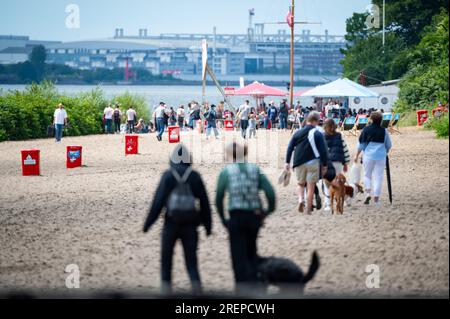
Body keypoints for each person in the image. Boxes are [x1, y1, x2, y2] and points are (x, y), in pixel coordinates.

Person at [144, 144, 212, 295]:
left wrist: (148, 224)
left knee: (166, 261)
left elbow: (158, 202)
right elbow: (205, 203)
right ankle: (197, 291)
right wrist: (208, 226)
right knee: (191, 263)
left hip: (171, 223)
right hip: (191, 224)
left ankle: (166, 291)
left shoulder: (168, 175)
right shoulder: (194, 176)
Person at [215, 142, 276, 294]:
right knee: (251, 252)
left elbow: (218, 198)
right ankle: (255, 285)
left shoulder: (226, 172)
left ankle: (241, 288)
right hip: (254, 216)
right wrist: (267, 212)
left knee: (237, 256)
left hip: (236, 216)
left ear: (229, 155)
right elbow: (270, 194)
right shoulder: (256, 170)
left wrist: (223, 219)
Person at [285, 112, 329, 215]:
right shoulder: (318, 133)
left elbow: (290, 147)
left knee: (301, 184)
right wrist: (325, 165)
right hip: (313, 162)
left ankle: (301, 200)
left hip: (299, 161)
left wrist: (287, 162)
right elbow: (323, 150)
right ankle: (308, 210)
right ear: (316, 121)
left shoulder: (298, 132)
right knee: (310, 186)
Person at [354, 111, 392, 207]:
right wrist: (385, 151)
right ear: (381, 120)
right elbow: (388, 145)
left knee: (367, 175)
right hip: (381, 156)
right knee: (378, 177)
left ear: (371, 119)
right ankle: (376, 199)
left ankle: (367, 193)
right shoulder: (384, 131)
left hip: (368, 155)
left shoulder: (366, 130)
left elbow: (361, 145)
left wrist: (356, 155)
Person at [322, 119, 351, 211]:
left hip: (327, 163)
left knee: (327, 184)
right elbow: (345, 149)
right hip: (338, 162)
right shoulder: (339, 136)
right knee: (339, 183)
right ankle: (345, 199)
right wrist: (346, 163)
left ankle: (327, 204)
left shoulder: (322, 137)